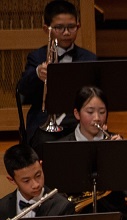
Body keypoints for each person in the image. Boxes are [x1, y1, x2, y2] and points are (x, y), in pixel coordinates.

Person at [55, 85, 127, 220]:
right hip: (75, 218)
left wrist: (120, 156)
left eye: (102, 111)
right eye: (90, 112)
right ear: (77, 114)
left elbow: (126, 189)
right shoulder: (62, 147)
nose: (97, 118)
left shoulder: (115, 143)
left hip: (112, 215)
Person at [17, 0, 97, 147]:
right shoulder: (37, 57)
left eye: (71, 27)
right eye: (59, 27)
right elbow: (22, 89)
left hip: (79, 119)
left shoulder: (89, 58)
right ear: (47, 29)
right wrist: (37, 74)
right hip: (44, 120)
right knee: (45, 144)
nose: (66, 33)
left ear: (78, 26)